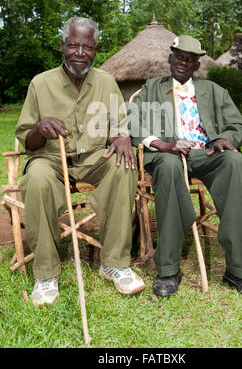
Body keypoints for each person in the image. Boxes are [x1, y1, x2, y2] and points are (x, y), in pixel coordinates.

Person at [16, 16, 145, 306]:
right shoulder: (40, 83)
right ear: (63, 46)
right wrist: (39, 128)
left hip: (94, 159)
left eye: (86, 47)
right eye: (73, 45)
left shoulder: (107, 81)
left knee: (123, 167)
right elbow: (27, 140)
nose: (79, 52)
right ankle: (46, 274)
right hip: (50, 159)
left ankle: (114, 263)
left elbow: (120, 126)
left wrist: (122, 135)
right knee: (36, 179)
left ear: (95, 49)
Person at [130, 35, 242, 300]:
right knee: (169, 167)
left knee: (235, 162)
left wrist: (227, 138)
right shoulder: (151, 88)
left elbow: (239, 126)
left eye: (189, 59)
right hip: (167, 155)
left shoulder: (214, 91)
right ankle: (168, 270)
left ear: (196, 65)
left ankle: (240, 271)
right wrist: (163, 145)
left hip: (206, 153)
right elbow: (133, 125)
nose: (183, 62)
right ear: (170, 58)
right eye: (178, 56)